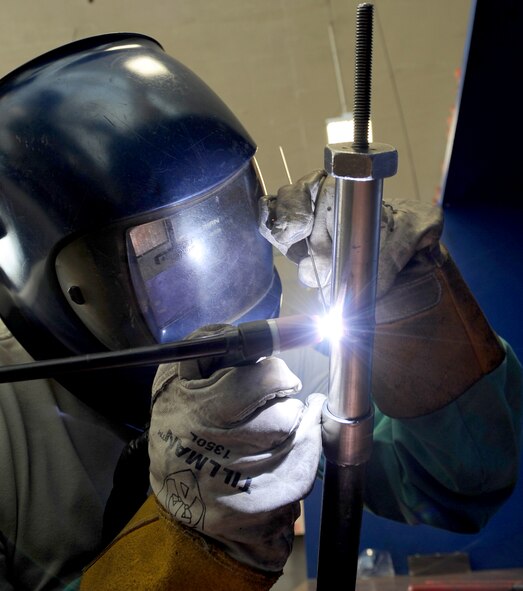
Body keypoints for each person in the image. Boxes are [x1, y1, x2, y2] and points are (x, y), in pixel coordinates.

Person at [0, 33, 520, 591]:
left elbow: (458, 485)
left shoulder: (272, 364)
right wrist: (188, 553)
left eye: (224, 229)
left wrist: (410, 303)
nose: (214, 301)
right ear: (52, 287)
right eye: (159, 260)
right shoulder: (10, 423)